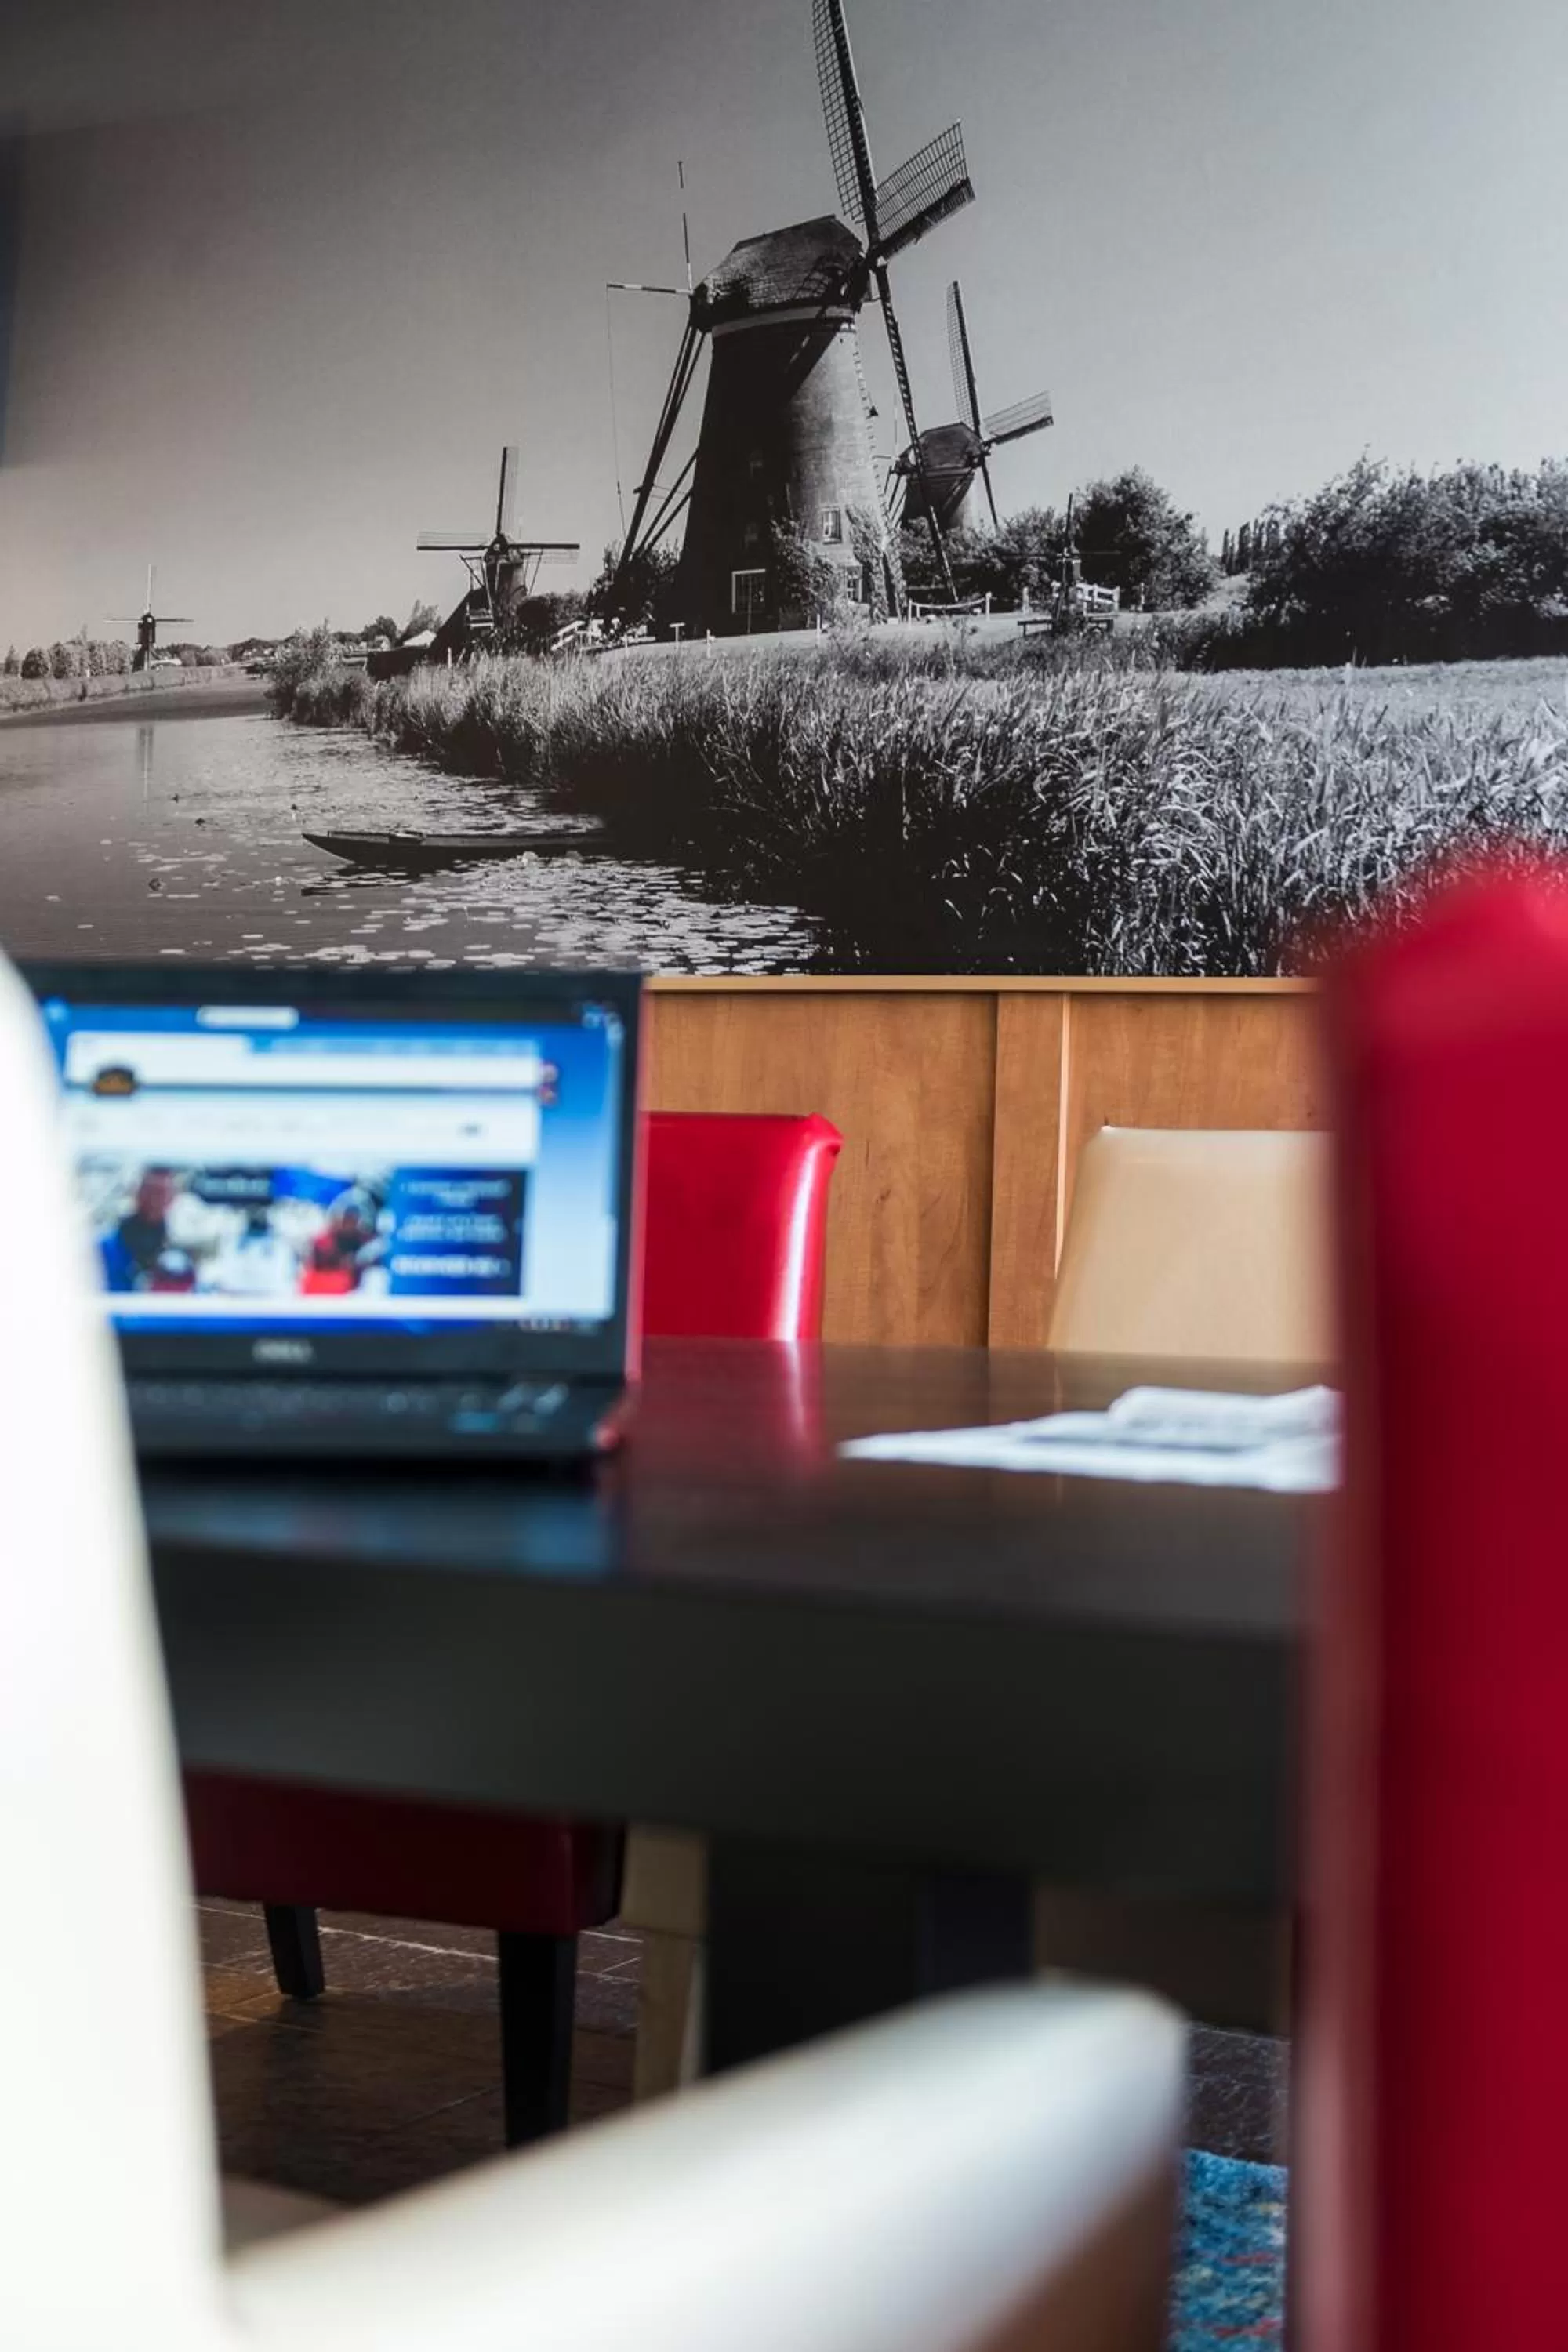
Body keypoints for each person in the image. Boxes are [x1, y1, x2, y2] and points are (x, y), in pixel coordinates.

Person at [100, 1167, 180, 1292]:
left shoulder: (178, 1250)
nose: (155, 1200)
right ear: (138, 1193)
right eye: (151, 1192)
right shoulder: (106, 1246)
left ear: (171, 1199)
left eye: (161, 1193)